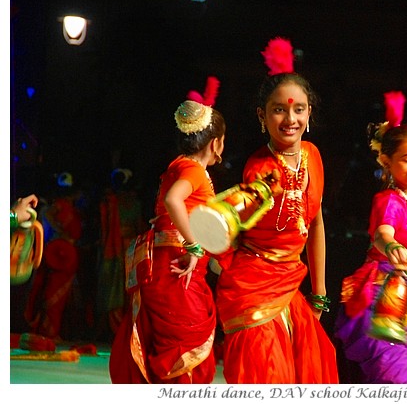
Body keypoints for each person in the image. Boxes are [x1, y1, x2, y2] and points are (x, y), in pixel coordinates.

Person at [214, 37, 339, 383]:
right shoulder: (258, 168)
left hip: (292, 287)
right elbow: (234, 222)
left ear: (309, 113)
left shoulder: (313, 156)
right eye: (279, 109)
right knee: (266, 374)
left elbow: (315, 225)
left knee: (310, 374)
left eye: (299, 109)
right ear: (262, 115)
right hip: (253, 285)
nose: (290, 119)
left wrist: (320, 293)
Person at [109, 77, 225, 383]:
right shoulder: (194, 170)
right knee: (185, 350)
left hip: (163, 263)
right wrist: (194, 246)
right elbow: (175, 201)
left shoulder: (177, 164)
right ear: (216, 142)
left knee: (169, 344)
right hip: (176, 265)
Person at [334, 91, 407, 384]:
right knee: (394, 383)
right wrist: (391, 245)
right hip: (384, 302)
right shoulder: (390, 200)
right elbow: (383, 233)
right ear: (386, 161)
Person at [24, 173, 83, 341]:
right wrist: (60, 231)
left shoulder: (74, 210)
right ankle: (47, 331)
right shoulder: (59, 205)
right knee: (51, 293)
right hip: (58, 254)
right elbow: (48, 216)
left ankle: (52, 330)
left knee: (61, 295)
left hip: (68, 255)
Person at [96, 168, 147, 341]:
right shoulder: (129, 203)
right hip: (129, 247)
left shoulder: (109, 203)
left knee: (114, 287)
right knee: (127, 288)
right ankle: (126, 329)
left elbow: (104, 230)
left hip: (114, 249)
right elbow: (139, 226)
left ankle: (117, 329)